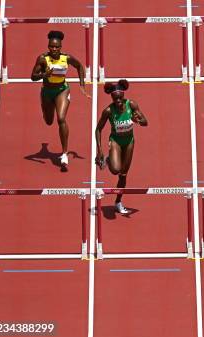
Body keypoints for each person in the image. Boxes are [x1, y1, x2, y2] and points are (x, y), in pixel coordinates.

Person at [30, 30, 90, 171]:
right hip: (47, 92)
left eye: (57, 47)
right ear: (48, 46)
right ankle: (45, 109)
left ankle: (64, 154)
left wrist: (82, 86)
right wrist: (45, 74)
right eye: (52, 47)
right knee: (49, 121)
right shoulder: (43, 59)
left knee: (61, 119)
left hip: (62, 90)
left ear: (61, 47)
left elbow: (80, 66)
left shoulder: (66, 58)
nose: (54, 49)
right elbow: (33, 76)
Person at [95, 79, 148, 214]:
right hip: (116, 141)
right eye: (115, 99)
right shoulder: (108, 111)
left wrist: (138, 121)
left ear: (123, 96)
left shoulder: (132, 105)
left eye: (119, 98)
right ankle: (108, 160)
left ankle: (118, 202)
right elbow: (98, 129)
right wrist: (99, 151)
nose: (118, 101)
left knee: (123, 175)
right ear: (112, 98)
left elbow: (145, 122)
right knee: (115, 170)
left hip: (129, 142)